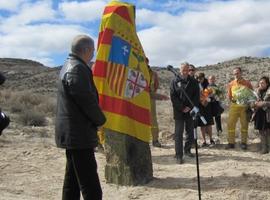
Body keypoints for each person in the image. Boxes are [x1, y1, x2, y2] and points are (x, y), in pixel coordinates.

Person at [55, 35, 106, 200]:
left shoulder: (68, 66)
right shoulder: (77, 69)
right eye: (92, 50)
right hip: (79, 133)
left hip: (73, 133)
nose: (93, 54)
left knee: (72, 180)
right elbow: (86, 100)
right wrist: (100, 120)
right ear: (86, 50)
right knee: (90, 184)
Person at [170, 62, 200, 164]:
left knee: (190, 132)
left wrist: (190, 107)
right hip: (179, 111)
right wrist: (182, 107)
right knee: (178, 133)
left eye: (187, 70)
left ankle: (187, 150)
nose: (185, 72)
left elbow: (196, 96)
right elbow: (173, 96)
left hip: (190, 111)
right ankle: (179, 155)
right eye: (183, 70)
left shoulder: (194, 82)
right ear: (180, 70)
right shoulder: (174, 81)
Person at [227, 67, 253, 150]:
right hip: (234, 106)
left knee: (244, 125)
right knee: (230, 124)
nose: (236, 75)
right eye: (234, 73)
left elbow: (252, 95)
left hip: (244, 107)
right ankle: (231, 143)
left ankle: (243, 143)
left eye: (237, 73)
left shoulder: (247, 83)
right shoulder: (231, 84)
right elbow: (230, 96)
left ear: (241, 73)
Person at [146, 58, 169, 147]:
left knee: (153, 119)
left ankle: (155, 140)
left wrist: (152, 94)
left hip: (151, 98)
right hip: (140, 98)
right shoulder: (138, 71)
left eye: (146, 61)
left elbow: (156, 85)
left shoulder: (153, 73)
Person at [197, 73, 215, 147]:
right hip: (200, 107)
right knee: (202, 125)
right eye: (198, 78)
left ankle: (211, 139)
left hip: (207, 106)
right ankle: (204, 141)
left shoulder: (208, 85)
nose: (199, 80)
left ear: (204, 78)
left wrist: (208, 99)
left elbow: (212, 94)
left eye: (200, 78)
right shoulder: (196, 85)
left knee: (209, 124)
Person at [253, 76, 270, 154]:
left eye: (263, 83)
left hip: (268, 113)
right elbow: (251, 102)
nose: (261, 84)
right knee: (261, 131)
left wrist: (264, 103)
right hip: (259, 114)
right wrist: (254, 104)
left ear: (267, 83)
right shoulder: (256, 92)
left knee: (268, 131)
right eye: (260, 83)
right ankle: (264, 149)